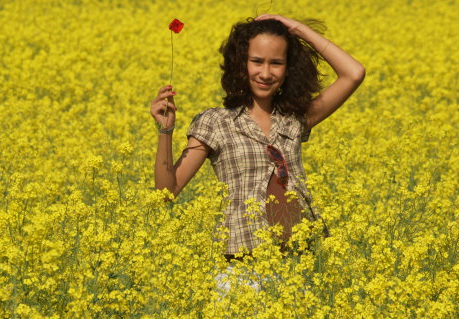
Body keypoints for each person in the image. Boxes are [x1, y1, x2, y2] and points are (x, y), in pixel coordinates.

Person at [150, 14, 365, 263]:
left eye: (276, 63)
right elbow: (166, 192)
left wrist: (297, 29)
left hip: (300, 262)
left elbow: (354, 73)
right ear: (241, 63)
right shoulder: (216, 122)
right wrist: (165, 131)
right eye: (256, 61)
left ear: (288, 69)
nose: (265, 73)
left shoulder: (294, 119)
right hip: (244, 264)